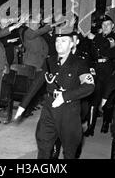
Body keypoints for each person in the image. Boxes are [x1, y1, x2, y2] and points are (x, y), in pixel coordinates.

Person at [14, 29, 95, 159]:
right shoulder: (49, 61)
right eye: (57, 40)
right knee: (43, 145)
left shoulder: (79, 63)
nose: (59, 44)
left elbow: (89, 87)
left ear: (72, 44)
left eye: (63, 41)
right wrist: (23, 105)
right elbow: (37, 83)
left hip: (69, 111)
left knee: (69, 151)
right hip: (49, 109)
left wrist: (65, 96)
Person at [85, 15, 115, 136]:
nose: (105, 27)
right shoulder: (98, 37)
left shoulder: (113, 37)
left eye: (108, 24)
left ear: (112, 26)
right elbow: (90, 53)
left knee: (108, 100)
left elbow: (105, 45)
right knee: (94, 100)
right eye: (103, 25)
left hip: (109, 71)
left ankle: (106, 122)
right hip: (97, 70)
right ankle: (90, 127)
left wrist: (93, 38)